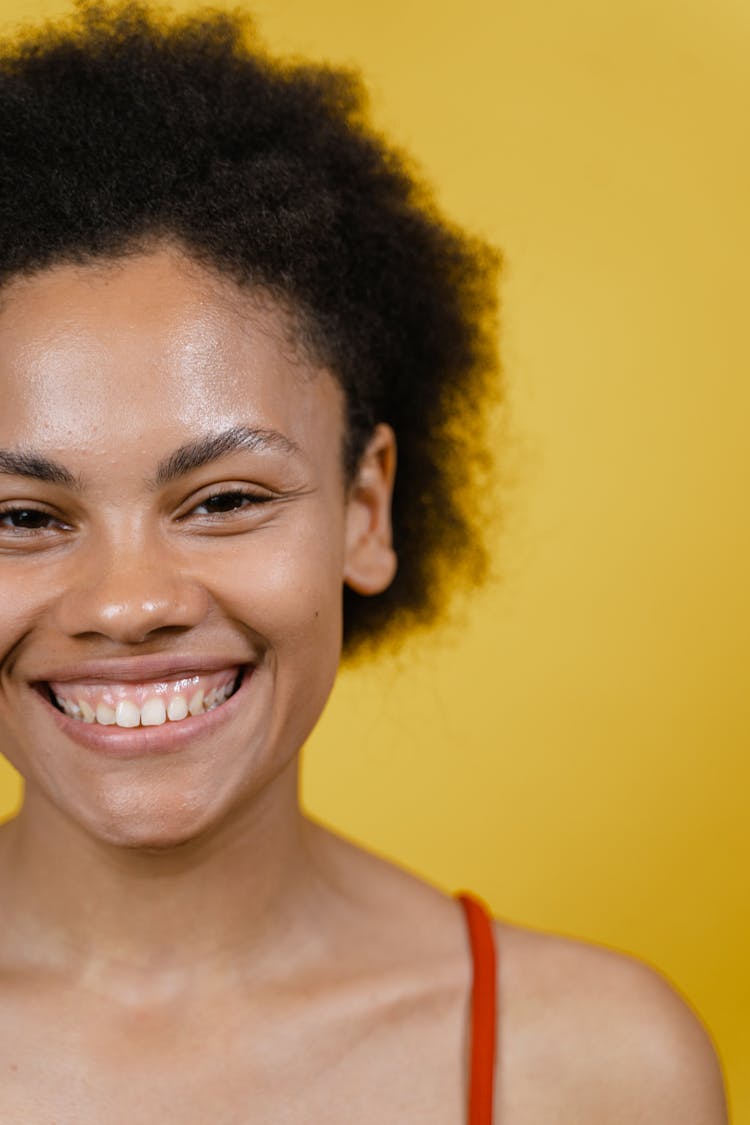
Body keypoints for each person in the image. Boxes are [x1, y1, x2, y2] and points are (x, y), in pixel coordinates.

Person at [0, 2, 728, 1121]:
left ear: (365, 508)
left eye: (227, 499)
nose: (129, 602)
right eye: (24, 518)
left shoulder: (594, 1070)